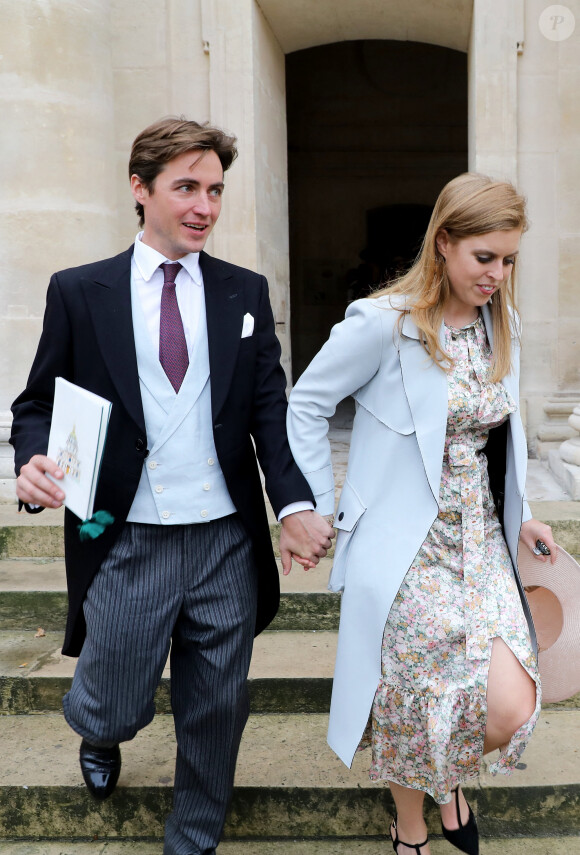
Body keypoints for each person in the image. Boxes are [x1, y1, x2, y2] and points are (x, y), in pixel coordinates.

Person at [10, 116, 334, 855]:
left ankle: (193, 834)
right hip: (124, 532)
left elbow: (269, 417)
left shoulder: (243, 292)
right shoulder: (80, 290)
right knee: (115, 696)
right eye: (186, 186)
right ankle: (99, 727)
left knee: (217, 702)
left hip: (225, 535)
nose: (205, 206)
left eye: (215, 189)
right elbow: (36, 404)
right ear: (140, 187)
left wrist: (294, 503)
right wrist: (30, 459)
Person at [286, 173, 557, 855]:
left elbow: (501, 433)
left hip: (483, 538)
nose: (497, 274)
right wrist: (316, 505)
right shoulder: (383, 323)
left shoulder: (505, 324)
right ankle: (412, 827)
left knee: (509, 704)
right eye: (484, 257)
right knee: (410, 690)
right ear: (444, 243)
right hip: (403, 541)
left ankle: (449, 781)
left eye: (509, 259)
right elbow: (307, 403)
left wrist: (526, 514)